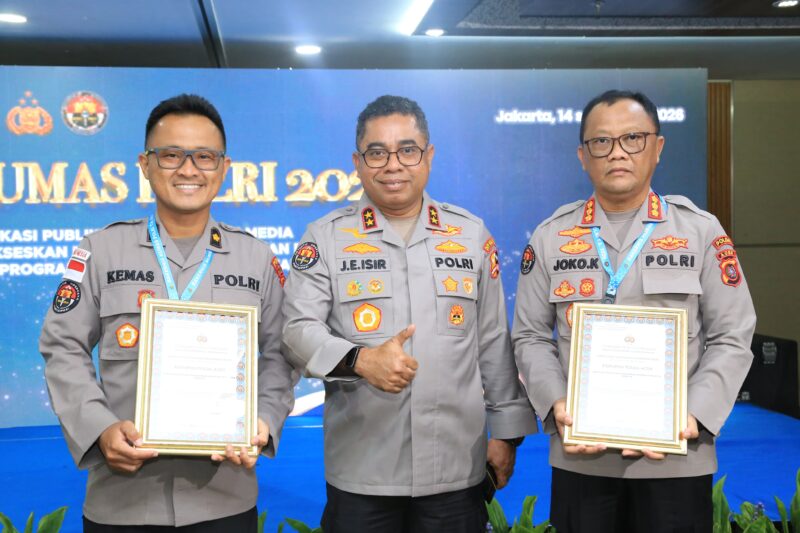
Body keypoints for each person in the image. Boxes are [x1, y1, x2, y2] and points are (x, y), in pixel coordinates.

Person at [39, 94, 297, 532]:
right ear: (145, 164)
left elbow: (281, 353)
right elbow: (62, 346)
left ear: (224, 168)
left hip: (224, 498)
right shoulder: (100, 251)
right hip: (122, 499)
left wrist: (263, 421)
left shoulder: (256, 258)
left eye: (204, 157)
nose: (189, 169)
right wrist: (100, 430)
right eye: (171, 155)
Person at [282, 95, 536, 533]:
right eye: (377, 152)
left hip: (456, 468)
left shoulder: (470, 234)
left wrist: (506, 435)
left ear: (429, 155)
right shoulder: (325, 238)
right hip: (364, 471)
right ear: (357, 163)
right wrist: (361, 360)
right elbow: (296, 330)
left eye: (407, 150)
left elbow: (493, 341)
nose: (393, 164)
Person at [512, 89, 756, 532]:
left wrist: (694, 415)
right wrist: (557, 403)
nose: (617, 152)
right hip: (581, 457)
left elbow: (733, 335)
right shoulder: (550, 237)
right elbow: (529, 335)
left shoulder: (701, 231)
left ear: (657, 148)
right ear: (583, 156)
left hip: (677, 457)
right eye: (601, 142)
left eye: (633, 138)